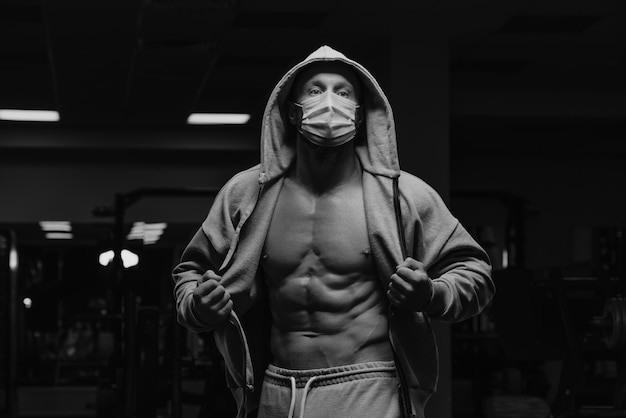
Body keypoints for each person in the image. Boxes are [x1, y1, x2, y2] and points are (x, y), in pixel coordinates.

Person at [172, 45, 495, 418]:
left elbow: (476, 273)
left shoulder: (403, 195)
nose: (330, 102)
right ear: (293, 112)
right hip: (278, 389)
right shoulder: (247, 194)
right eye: (314, 90)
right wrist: (197, 307)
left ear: (360, 115)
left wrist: (432, 294)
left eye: (343, 93)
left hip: (368, 386)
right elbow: (189, 272)